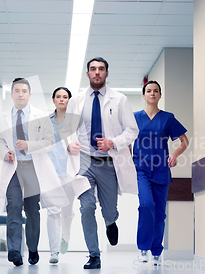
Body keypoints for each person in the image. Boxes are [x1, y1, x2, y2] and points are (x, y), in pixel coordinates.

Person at [61, 57, 139, 269]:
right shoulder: (76, 100)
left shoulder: (120, 100)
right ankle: (94, 255)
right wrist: (70, 145)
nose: (97, 72)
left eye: (101, 69)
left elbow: (132, 130)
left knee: (109, 208)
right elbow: (67, 130)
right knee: (86, 207)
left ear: (106, 73)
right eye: (93, 69)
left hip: (108, 162)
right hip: (83, 161)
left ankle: (111, 221)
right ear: (87, 74)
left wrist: (113, 142)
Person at [0, 78, 60, 266]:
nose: (20, 94)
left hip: (33, 167)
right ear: (12, 94)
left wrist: (29, 145)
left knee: (32, 210)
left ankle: (32, 248)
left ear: (29, 95)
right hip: (13, 168)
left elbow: (49, 142)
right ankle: (14, 250)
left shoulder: (41, 116)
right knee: (13, 206)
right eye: (17, 91)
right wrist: (5, 153)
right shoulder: (2, 117)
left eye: (24, 91)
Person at [133, 80, 189, 265]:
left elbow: (184, 141)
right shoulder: (134, 117)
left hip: (161, 170)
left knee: (159, 212)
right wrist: (127, 159)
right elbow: (125, 139)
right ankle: (143, 248)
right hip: (141, 169)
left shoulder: (168, 118)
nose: (152, 93)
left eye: (156, 91)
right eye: (149, 90)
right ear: (143, 95)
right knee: (146, 205)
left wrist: (174, 154)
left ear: (160, 95)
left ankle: (156, 251)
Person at [46, 87, 90, 264]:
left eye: (65, 97)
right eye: (58, 96)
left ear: (69, 101)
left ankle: (65, 236)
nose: (62, 99)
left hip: (71, 172)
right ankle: (54, 251)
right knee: (53, 211)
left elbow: (85, 144)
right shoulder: (45, 123)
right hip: (51, 172)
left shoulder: (77, 123)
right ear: (53, 100)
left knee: (66, 211)